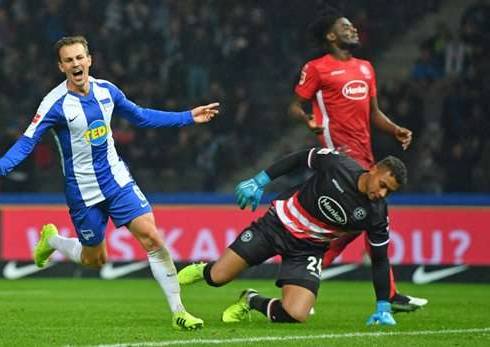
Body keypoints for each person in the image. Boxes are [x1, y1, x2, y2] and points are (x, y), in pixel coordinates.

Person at [0, 36, 219, 330]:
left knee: (153, 239)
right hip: (83, 191)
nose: (76, 64)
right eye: (69, 60)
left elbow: (141, 117)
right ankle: (52, 240)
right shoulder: (54, 103)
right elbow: (28, 141)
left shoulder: (107, 91)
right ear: (61, 66)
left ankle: (178, 311)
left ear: (89, 60)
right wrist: (1, 166)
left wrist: (187, 117)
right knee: (96, 260)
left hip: (117, 180)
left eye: (80, 57)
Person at [288, 14, 426, 312]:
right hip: (341, 156)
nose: (352, 29)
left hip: (367, 157)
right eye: (345, 26)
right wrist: (309, 120)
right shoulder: (317, 69)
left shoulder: (366, 68)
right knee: (371, 221)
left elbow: (373, 112)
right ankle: (387, 296)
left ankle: (302, 280)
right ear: (331, 36)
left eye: (352, 25)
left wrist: (394, 129)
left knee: (350, 229)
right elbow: (295, 106)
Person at [179, 147, 404, 325]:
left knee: (296, 314)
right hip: (276, 225)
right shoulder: (337, 165)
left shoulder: (376, 214)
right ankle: (204, 270)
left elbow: (381, 259)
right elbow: (299, 158)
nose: (382, 193)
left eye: (389, 191)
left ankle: (250, 300)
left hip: (308, 249)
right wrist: (260, 181)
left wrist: (382, 305)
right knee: (218, 277)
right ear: (373, 169)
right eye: (383, 184)